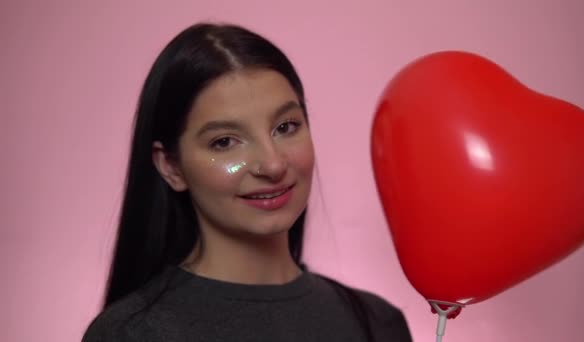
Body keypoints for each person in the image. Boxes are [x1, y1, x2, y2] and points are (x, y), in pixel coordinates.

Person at [82, 22, 412, 342]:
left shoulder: (379, 324)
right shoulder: (130, 334)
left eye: (285, 127)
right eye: (224, 141)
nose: (272, 164)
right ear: (171, 167)